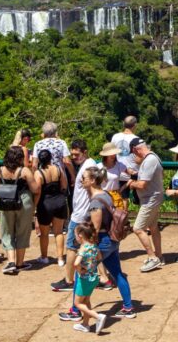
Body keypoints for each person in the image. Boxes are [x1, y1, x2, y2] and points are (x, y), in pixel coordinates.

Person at [81, 165, 136, 320]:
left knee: (83, 275)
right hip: (112, 241)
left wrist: (87, 248)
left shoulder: (96, 203)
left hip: (102, 242)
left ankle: (76, 309)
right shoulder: (105, 194)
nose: (81, 180)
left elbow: (95, 229)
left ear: (92, 181)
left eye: (83, 178)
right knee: (117, 273)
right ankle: (128, 307)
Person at [52, 139, 97, 293]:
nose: (74, 157)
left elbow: (93, 189)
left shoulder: (89, 167)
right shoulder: (87, 165)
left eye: (77, 154)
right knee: (87, 246)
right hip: (81, 212)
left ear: (85, 152)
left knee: (71, 248)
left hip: (80, 215)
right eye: (72, 155)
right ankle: (98, 277)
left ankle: (69, 280)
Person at [0, 146, 39, 273]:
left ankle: (11, 262)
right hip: (24, 201)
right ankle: (20, 263)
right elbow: (35, 189)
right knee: (22, 231)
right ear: (20, 158)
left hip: (6, 201)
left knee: (7, 231)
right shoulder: (24, 171)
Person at [127, 138, 164, 272]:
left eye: (133, 153)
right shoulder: (152, 158)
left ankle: (153, 258)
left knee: (138, 228)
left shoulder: (149, 160)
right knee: (153, 227)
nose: (134, 156)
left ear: (136, 149)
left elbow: (142, 184)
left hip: (150, 199)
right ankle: (159, 256)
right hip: (152, 198)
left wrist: (131, 184)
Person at [71, 222, 107, 335]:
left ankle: (98, 316)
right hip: (93, 277)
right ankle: (85, 325)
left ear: (80, 235)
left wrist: (80, 270)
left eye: (75, 234)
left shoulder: (83, 249)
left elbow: (75, 263)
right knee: (86, 301)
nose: (75, 237)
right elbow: (100, 259)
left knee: (77, 303)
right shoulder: (94, 246)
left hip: (84, 279)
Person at [35, 148, 69, 267]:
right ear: (50, 158)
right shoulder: (59, 169)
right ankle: (60, 258)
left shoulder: (39, 173)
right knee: (58, 232)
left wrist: (35, 206)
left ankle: (44, 257)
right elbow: (64, 186)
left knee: (44, 234)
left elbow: (38, 191)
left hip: (45, 204)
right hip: (59, 201)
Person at [99, 142, 128, 209]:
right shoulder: (98, 167)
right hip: (102, 196)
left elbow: (131, 176)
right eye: (110, 154)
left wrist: (122, 188)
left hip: (115, 197)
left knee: (117, 218)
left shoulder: (119, 165)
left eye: (114, 153)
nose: (113, 155)